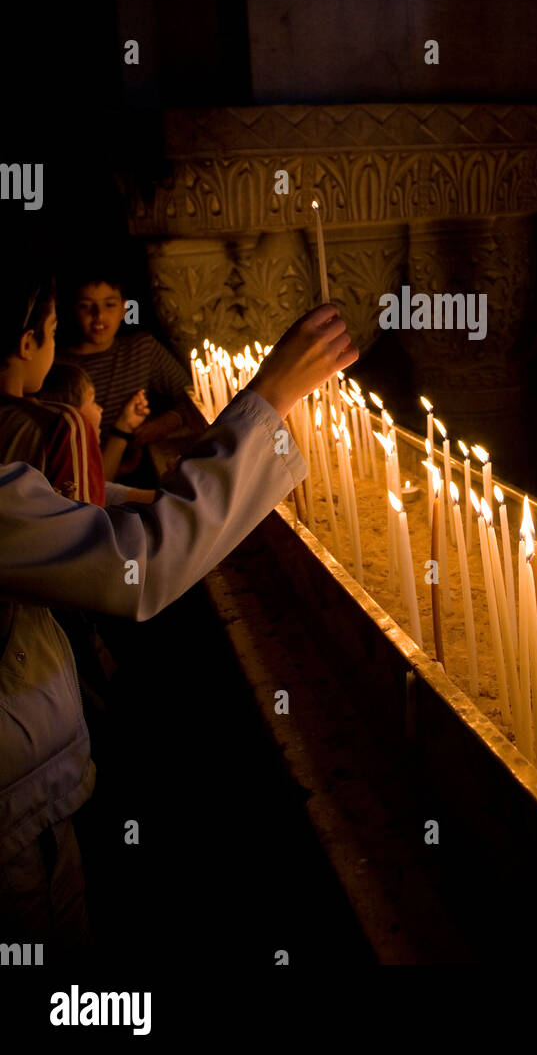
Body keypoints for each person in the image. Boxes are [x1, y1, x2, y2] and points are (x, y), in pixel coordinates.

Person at [0, 296, 357, 948]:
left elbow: (47, 510)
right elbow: (140, 565)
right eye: (57, 327)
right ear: (25, 344)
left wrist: (135, 495)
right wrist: (270, 395)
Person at [59, 272, 191, 455]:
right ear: (74, 310)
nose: (99, 315)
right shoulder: (60, 368)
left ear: (124, 309)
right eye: (86, 306)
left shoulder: (142, 348)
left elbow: (191, 395)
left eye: (109, 305)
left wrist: (167, 422)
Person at [39, 360, 151, 485]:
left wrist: (124, 425)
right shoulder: (65, 481)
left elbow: (101, 482)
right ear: (71, 413)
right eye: (92, 401)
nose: (100, 409)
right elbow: (99, 488)